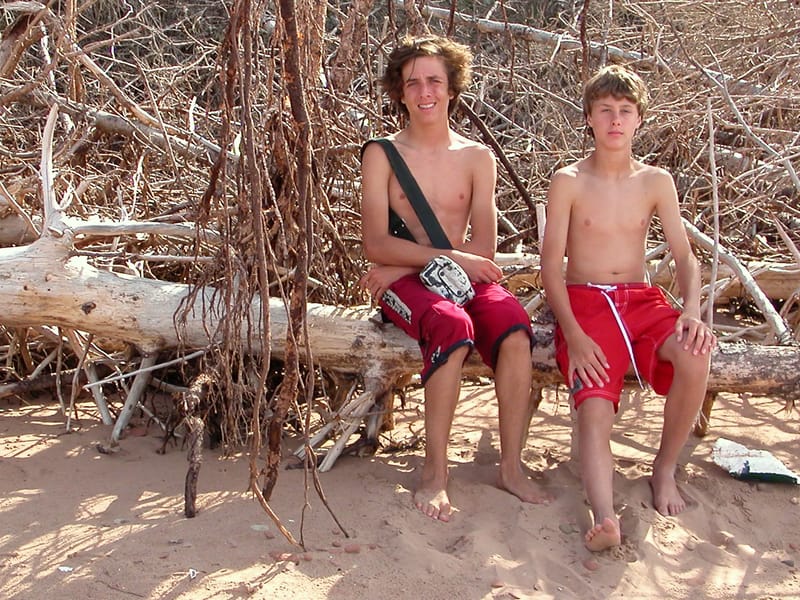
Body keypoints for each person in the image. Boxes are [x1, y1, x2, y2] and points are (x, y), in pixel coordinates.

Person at [358, 35, 550, 522]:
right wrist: (436, 260)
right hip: (411, 291)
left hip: (454, 273)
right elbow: (375, 243)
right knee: (451, 325)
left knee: (511, 327)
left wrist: (408, 262)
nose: (425, 91)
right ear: (399, 92)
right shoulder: (381, 154)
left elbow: (482, 249)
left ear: (451, 87)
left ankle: (510, 466)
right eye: (414, 82)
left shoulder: (476, 157)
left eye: (435, 81)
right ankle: (435, 473)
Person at [540, 64, 716, 551]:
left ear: (638, 120)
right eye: (605, 111)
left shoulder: (656, 180)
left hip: (641, 300)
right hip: (585, 302)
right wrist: (573, 335)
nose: (615, 121)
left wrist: (692, 311)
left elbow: (685, 256)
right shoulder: (568, 180)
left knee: (695, 354)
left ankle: (664, 469)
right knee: (595, 404)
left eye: (625, 111)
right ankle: (604, 514)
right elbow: (551, 268)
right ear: (590, 119)